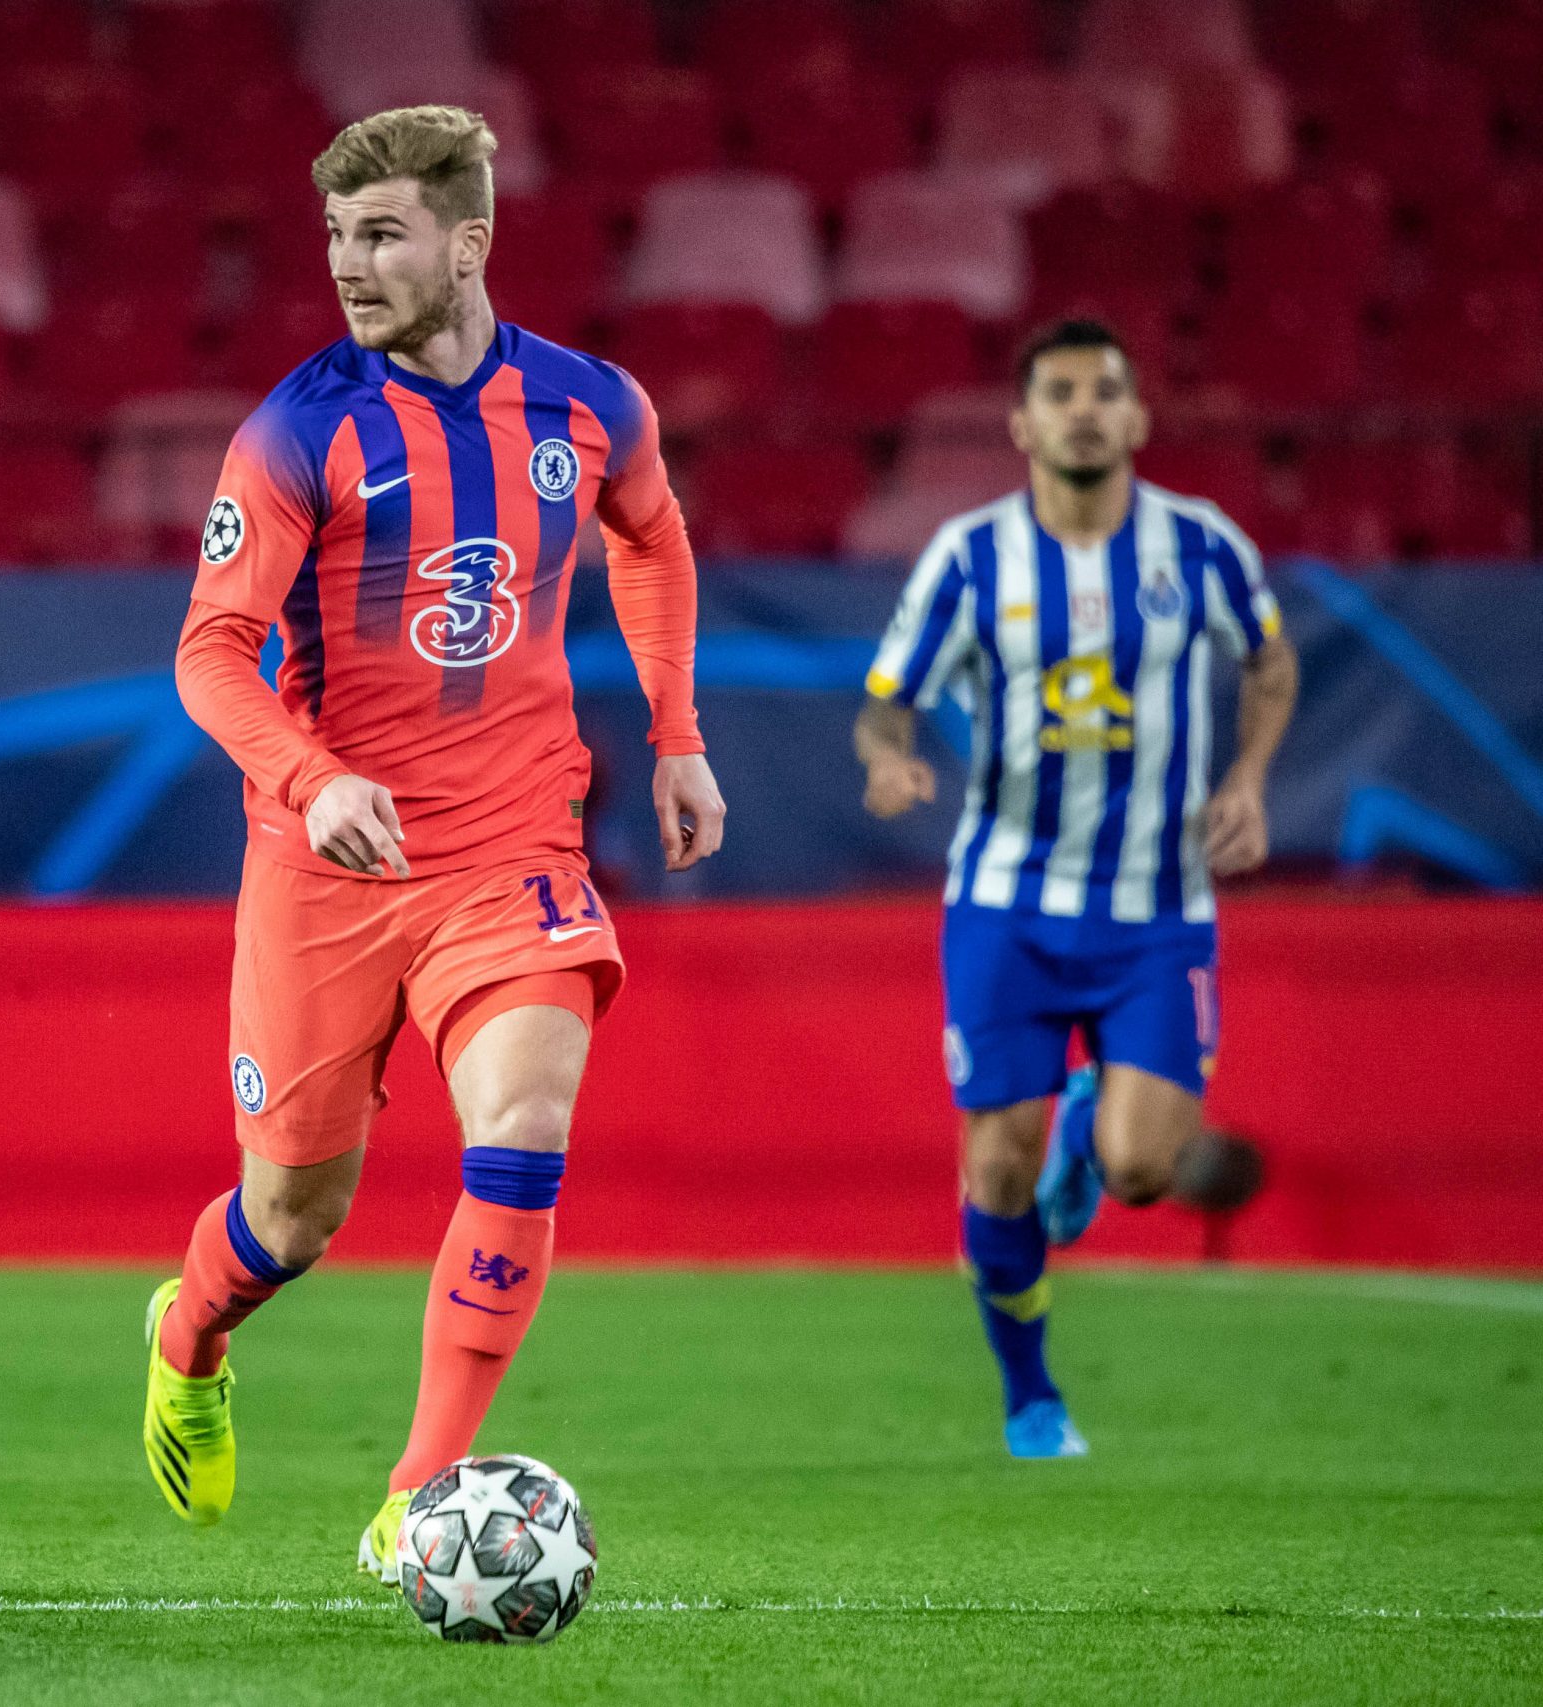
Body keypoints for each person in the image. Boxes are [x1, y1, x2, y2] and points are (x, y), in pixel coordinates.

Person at [138, 106, 724, 1587]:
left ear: (467, 243)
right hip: (325, 862)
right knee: (293, 1213)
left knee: (525, 1124)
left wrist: (675, 731)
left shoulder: (591, 407)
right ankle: (186, 1329)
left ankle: (420, 1486)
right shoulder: (295, 426)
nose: (349, 262)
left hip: (513, 841)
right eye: (336, 234)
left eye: (382, 232)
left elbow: (650, 538)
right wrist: (308, 768)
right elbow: (211, 650)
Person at [853, 318, 1299, 1458]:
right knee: (994, 1162)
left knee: (1145, 1172)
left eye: (1106, 390)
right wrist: (886, 758)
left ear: (1138, 417)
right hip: (1005, 904)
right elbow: (885, 694)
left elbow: (1270, 659)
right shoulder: (969, 557)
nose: (1085, 409)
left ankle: (1092, 1121)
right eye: (1060, 392)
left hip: (1158, 910)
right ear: (1023, 423)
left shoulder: (1200, 547)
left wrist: (1248, 777)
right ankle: (1030, 1396)